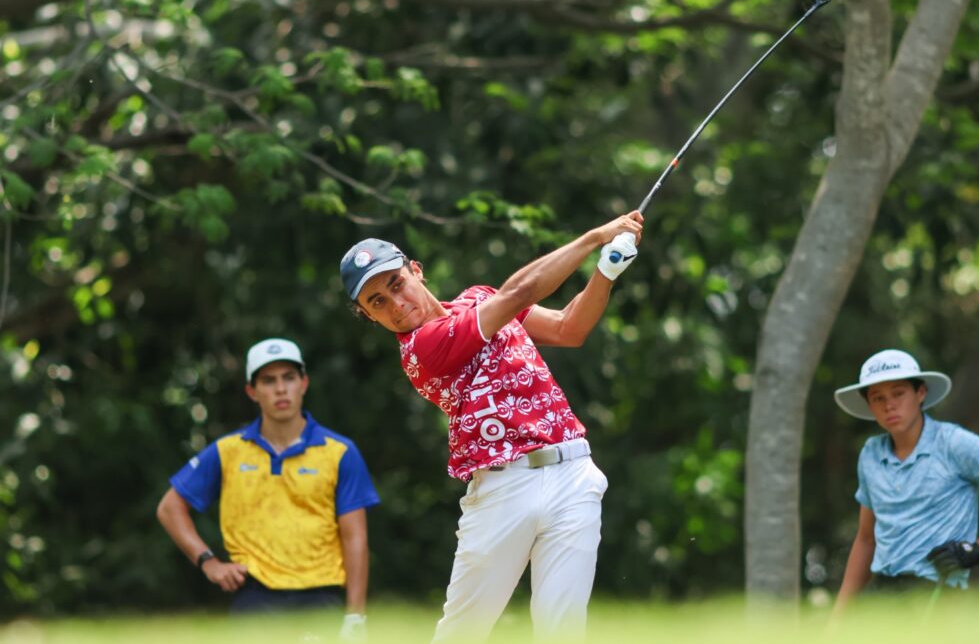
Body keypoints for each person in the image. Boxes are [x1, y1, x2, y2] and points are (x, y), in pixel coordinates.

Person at [338, 213, 643, 642]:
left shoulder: (478, 299)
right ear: (369, 317)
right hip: (504, 490)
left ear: (416, 271)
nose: (396, 303)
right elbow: (520, 291)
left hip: (573, 473)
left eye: (396, 284)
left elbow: (568, 328)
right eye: (377, 303)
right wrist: (594, 236)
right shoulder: (419, 350)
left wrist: (606, 271)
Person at [156, 338, 379, 641]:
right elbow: (170, 507)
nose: (280, 389)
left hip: (321, 598)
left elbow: (355, 538)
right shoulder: (228, 451)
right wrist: (208, 562)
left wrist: (355, 617)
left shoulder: (340, 452)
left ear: (304, 383)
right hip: (254, 598)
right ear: (252, 391)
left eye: (289, 378)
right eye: (268, 380)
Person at [831, 349, 979, 613]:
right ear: (870, 406)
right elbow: (866, 540)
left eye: (898, 393)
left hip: (940, 597)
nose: (889, 405)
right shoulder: (870, 455)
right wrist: (838, 615)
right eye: (878, 398)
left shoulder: (954, 443)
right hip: (883, 598)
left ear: (920, 393)